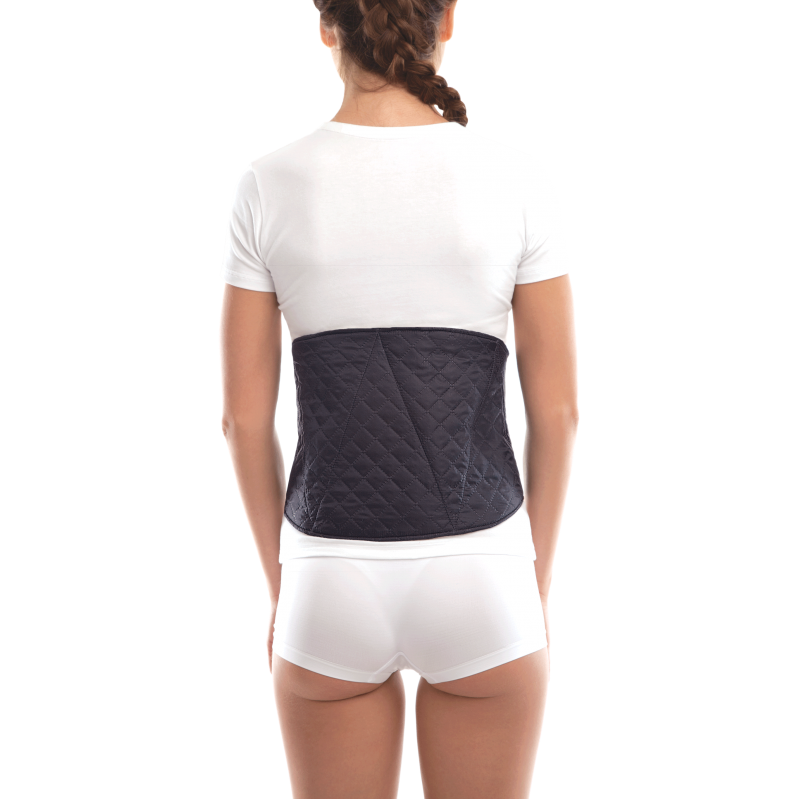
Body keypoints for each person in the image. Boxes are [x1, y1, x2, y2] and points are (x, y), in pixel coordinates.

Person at [218, 1, 579, 796]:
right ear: (447, 20)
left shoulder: (267, 182)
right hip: (482, 565)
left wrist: (286, 586)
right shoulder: (518, 178)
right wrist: (530, 581)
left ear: (327, 26)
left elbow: (243, 420)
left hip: (329, 571)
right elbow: (556, 412)